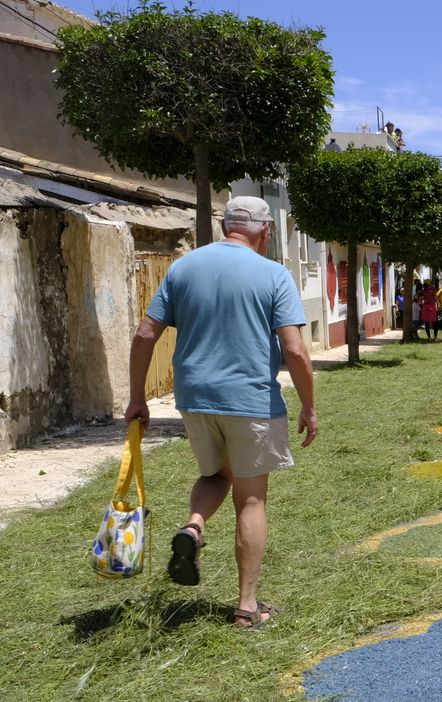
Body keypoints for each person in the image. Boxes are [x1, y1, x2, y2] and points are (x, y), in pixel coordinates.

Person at [126, 196, 318, 629]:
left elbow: (144, 334)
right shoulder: (273, 274)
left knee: (216, 474)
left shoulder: (183, 268)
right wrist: (308, 405)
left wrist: (137, 397)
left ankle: (193, 527)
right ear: (265, 232)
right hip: (250, 401)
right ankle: (247, 607)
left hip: (194, 398)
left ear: (224, 227)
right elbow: (294, 349)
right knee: (250, 497)